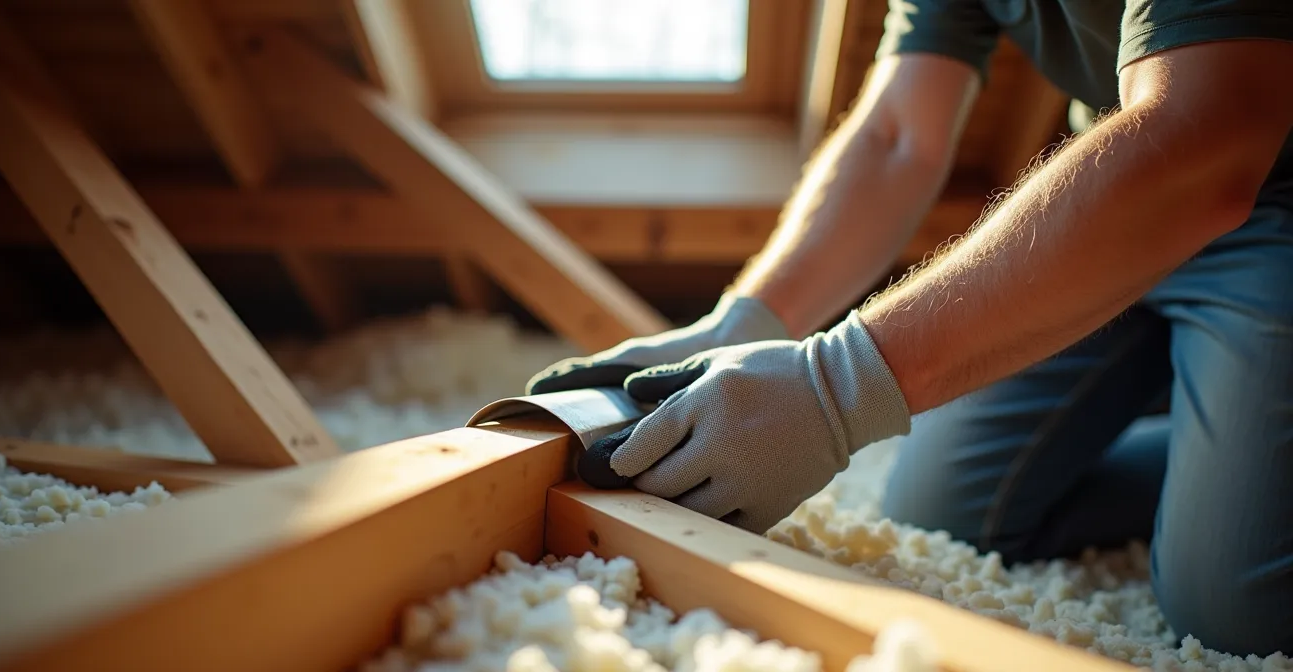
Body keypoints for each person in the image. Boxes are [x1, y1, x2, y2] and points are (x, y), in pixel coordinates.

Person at [526, 0, 1293, 657]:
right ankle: (1208, 447)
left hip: (1258, 199)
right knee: (943, 511)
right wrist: (746, 320)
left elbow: (1210, 129)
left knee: (1232, 610)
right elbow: (897, 133)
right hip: (1122, 194)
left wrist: (837, 385)